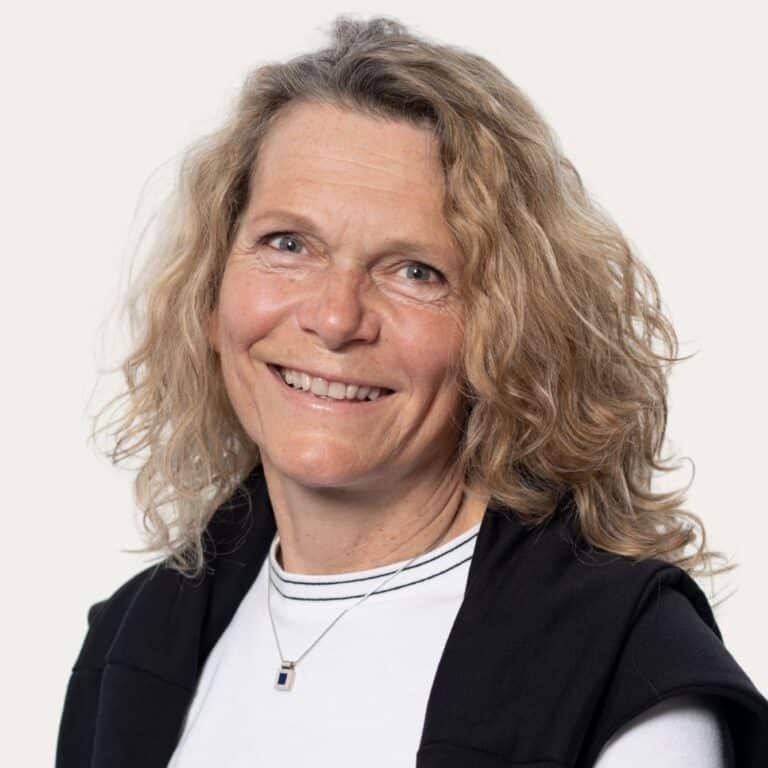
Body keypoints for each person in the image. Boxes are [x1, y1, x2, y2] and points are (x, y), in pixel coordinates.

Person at [56, 16, 768, 768]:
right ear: (211, 290)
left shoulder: (625, 666)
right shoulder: (129, 641)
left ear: (506, 331)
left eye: (415, 271)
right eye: (288, 244)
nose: (336, 319)